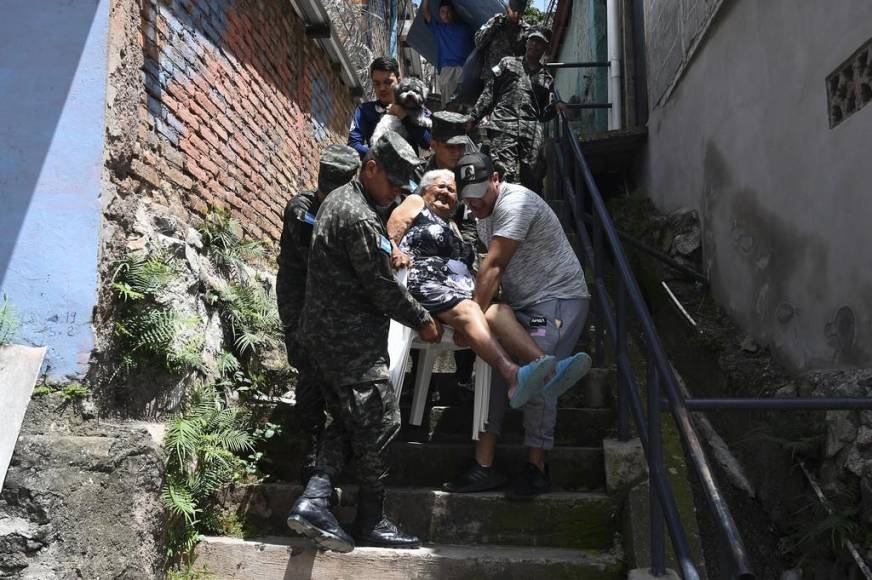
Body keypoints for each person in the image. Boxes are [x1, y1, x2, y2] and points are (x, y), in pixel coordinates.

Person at [287, 132, 442, 553]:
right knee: (381, 420)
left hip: (323, 336)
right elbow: (381, 289)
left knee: (348, 422)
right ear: (369, 166)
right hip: (349, 341)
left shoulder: (337, 203)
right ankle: (371, 519)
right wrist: (423, 318)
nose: (395, 193)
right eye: (392, 182)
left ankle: (315, 499)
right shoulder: (357, 215)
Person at [444, 152, 592, 499]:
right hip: (521, 304)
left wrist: (467, 325)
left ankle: (537, 467)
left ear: (496, 178)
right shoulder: (482, 216)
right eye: (467, 194)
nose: (474, 201)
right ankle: (484, 465)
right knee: (498, 361)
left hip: (557, 299)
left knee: (534, 376)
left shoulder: (518, 202)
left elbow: (492, 268)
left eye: (480, 190)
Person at [388, 170, 588, 411]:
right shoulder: (416, 203)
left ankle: (548, 369)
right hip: (424, 283)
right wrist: (393, 250)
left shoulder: (452, 225)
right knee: (477, 310)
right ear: (424, 190)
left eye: (452, 191)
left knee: (498, 311)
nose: (447, 193)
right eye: (441, 187)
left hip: (458, 293)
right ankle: (512, 373)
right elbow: (389, 234)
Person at [276, 144, 361, 485]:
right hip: (300, 303)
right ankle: (310, 452)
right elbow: (321, 251)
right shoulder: (303, 208)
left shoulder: (349, 210)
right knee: (309, 372)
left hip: (332, 308)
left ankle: (335, 452)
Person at [418, 111, 479, 391]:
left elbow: (473, 224)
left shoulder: (471, 174)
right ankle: (418, 382)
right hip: (424, 255)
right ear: (433, 144)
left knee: (473, 295)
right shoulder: (417, 174)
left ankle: (464, 376)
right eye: (449, 146)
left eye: (461, 146)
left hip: (461, 252)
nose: (457, 152)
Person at [469, 26, 565, 194]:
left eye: (540, 43)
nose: (535, 45)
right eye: (532, 40)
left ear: (545, 48)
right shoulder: (507, 63)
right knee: (505, 174)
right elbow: (490, 92)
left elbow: (543, 113)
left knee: (534, 176)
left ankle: (533, 215)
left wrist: (556, 107)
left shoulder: (547, 78)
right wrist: (474, 117)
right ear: (526, 42)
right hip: (503, 125)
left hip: (531, 131)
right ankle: (504, 214)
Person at [348, 57, 431, 157]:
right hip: (375, 168)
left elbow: (427, 143)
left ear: (399, 81)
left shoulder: (417, 110)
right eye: (377, 84)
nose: (382, 88)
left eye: (388, 82)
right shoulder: (365, 111)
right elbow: (353, 145)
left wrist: (404, 117)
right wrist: (381, 156)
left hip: (408, 170)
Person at [421, 0, 474, 107]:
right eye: (442, 11)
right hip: (447, 70)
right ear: (439, 14)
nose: (446, 14)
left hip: (463, 68)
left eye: (448, 11)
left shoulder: (466, 28)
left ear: (453, 13)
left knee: (462, 104)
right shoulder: (439, 29)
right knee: (447, 105)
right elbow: (425, 10)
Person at [473, 0, 530, 84]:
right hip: (491, 78)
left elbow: (529, 58)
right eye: (514, 11)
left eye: (520, 12)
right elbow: (479, 43)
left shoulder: (526, 30)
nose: (516, 15)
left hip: (512, 81)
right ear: (508, 8)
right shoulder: (495, 22)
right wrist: (493, 26)